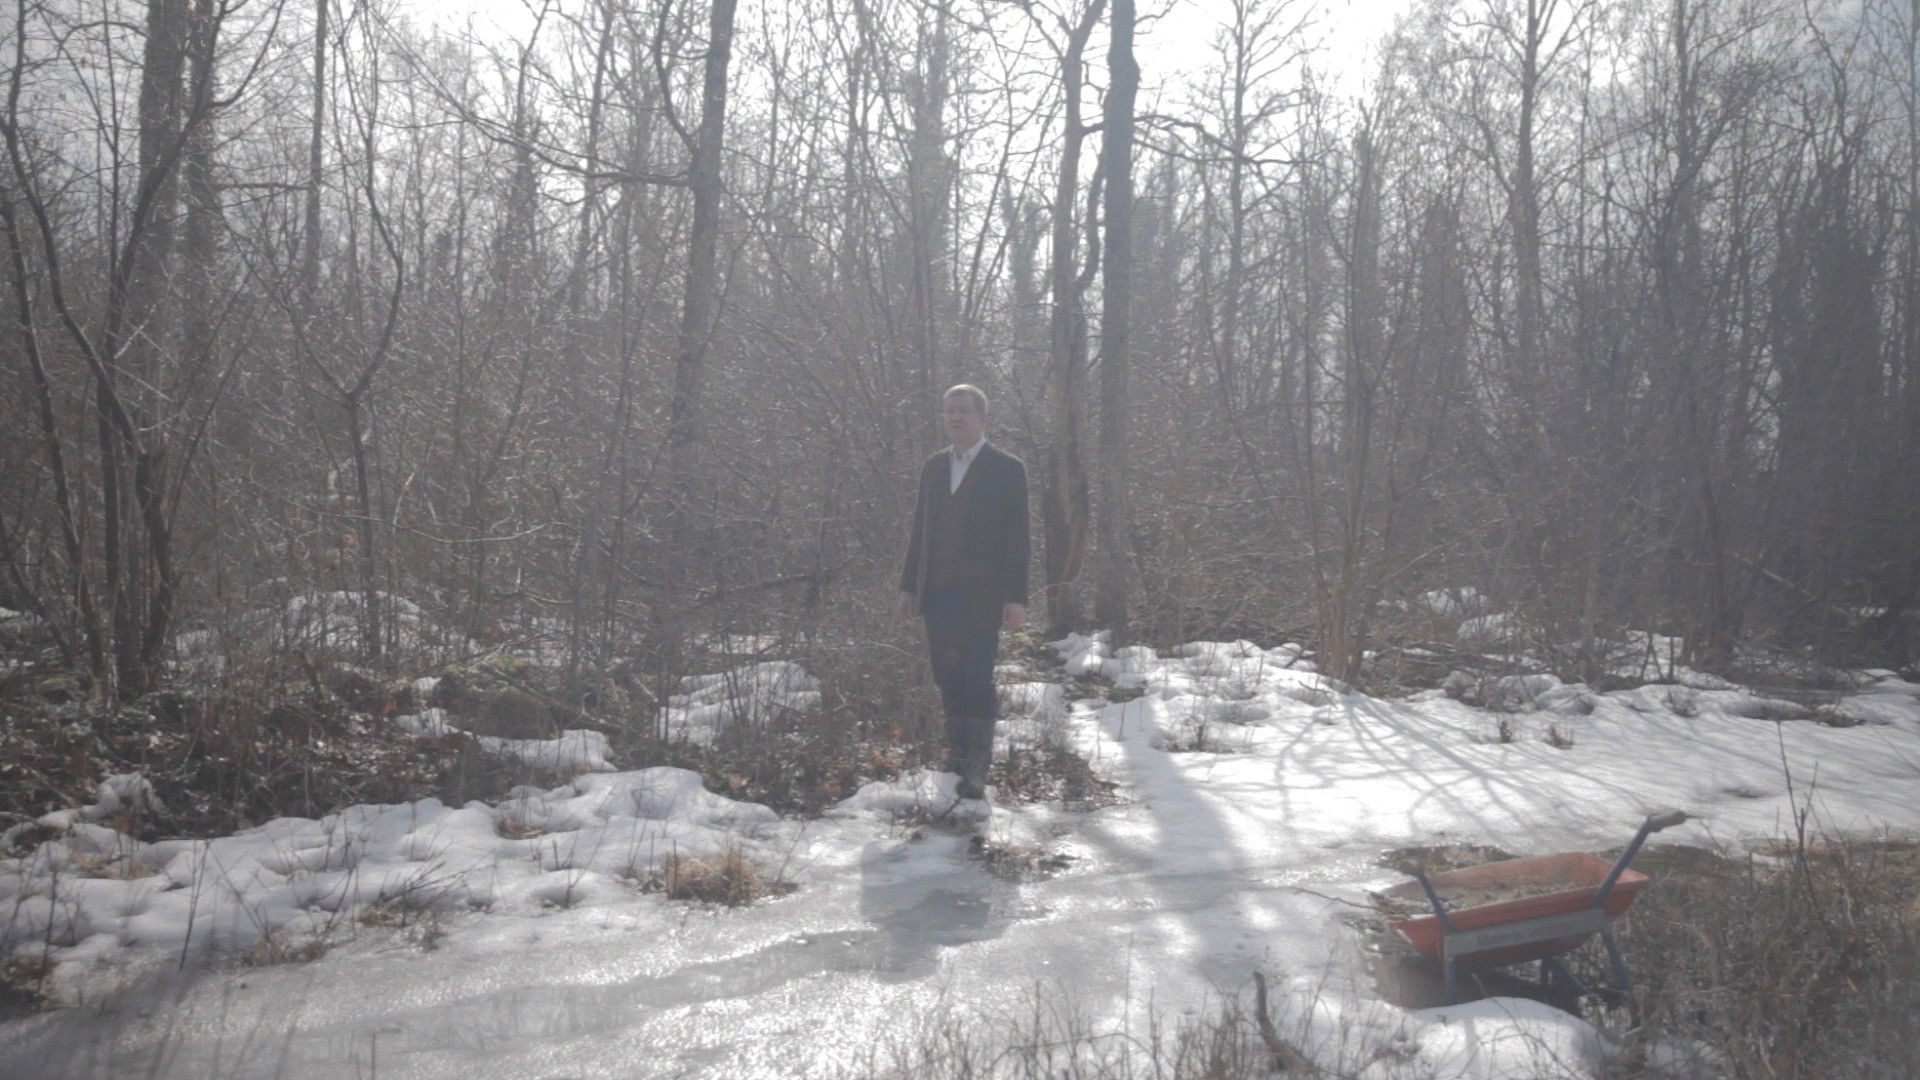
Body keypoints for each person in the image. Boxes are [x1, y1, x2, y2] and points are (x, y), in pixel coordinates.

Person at [896, 384, 1030, 801]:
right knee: (946, 674)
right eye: (950, 411)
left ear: (982, 418)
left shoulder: (1007, 469)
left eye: (964, 412)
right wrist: (908, 587)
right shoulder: (934, 467)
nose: (956, 418)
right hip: (938, 593)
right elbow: (920, 530)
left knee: (977, 676)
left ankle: (977, 767)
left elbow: (1019, 538)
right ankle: (955, 757)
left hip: (984, 596)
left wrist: (1016, 597)